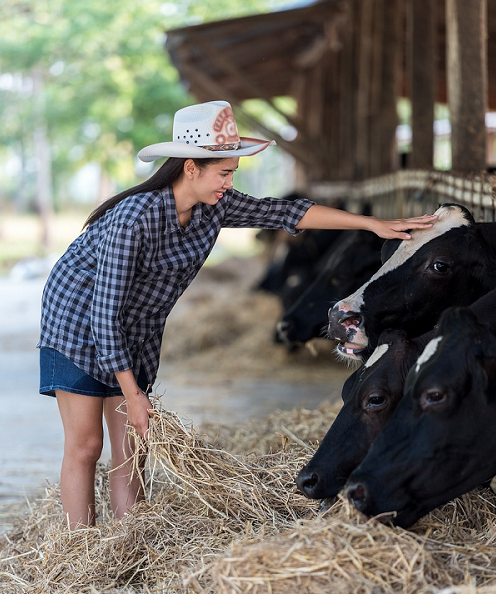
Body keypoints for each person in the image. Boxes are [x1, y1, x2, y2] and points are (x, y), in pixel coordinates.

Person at [37, 100, 437, 529]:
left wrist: (371, 224)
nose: (230, 183)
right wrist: (132, 394)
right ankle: (82, 547)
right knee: (86, 445)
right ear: (191, 168)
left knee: (133, 444)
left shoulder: (215, 206)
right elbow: (104, 314)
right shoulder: (135, 218)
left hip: (136, 325)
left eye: (233, 173)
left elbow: (287, 212)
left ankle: (127, 539)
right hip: (79, 323)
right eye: (224, 173)